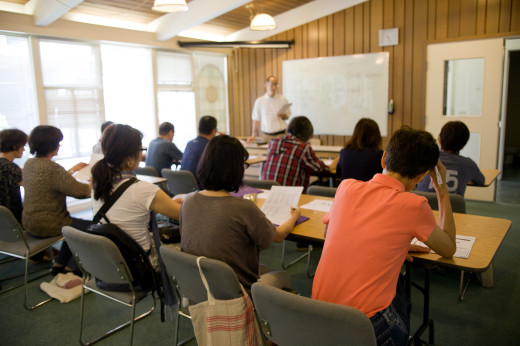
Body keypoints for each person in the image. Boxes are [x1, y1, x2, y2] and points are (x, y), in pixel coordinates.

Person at [312, 127, 456, 346]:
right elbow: (448, 249)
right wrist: (442, 190)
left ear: (383, 159)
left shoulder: (346, 187)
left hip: (317, 314)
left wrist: (391, 245)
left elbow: (329, 233)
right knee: (398, 289)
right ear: (421, 176)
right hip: (366, 325)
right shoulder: (414, 206)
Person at [180, 135, 301, 295]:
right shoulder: (243, 207)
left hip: (199, 287)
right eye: (243, 165)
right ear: (235, 169)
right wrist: (295, 216)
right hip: (238, 292)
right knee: (282, 276)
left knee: (261, 268)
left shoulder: (188, 200)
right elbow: (277, 236)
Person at [91, 124, 182, 259]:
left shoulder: (98, 183)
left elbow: (126, 210)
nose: (142, 154)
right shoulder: (143, 189)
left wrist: (167, 203)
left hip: (112, 261)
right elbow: (184, 215)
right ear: (129, 158)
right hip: (142, 264)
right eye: (141, 149)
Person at [22, 125, 91, 275]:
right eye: (58, 142)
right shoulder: (52, 168)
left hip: (30, 223)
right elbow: (80, 192)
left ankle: (59, 264)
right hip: (51, 225)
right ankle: (72, 268)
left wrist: (73, 170)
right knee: (92, 227)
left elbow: (51, 180)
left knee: (73, 226)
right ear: (52, 145)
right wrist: (94, 184)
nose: (59, 145)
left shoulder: (29, 164)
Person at [262, 116, 337, 190]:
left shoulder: (273, 143)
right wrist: (332, 165)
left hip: (266, 194)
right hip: (290, 196)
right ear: (308, 132)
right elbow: (320, 169)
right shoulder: (302, 147)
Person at [417, 121, 485, 196]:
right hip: (453, 207)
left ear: (439, 140)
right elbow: (481, 180)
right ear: (463, 146)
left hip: (422, 206)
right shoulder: (468, 164)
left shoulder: (424, 158)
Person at [246, 76, 291, 144]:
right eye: (272, 84)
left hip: (282, 135)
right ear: (266, 85)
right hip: (267, 136)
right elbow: (256, 119)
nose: (274, 87)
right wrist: (253, 135)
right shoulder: (259, 101)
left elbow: (287, 115)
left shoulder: (283, 99)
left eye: (276, 84)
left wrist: (283, 116)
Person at [0, 129, 28, 223]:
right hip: (12, 218)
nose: (24, 149)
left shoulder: (6, 166)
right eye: (23, 146)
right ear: (15, 146)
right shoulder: (11, 168)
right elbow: (30, 186)